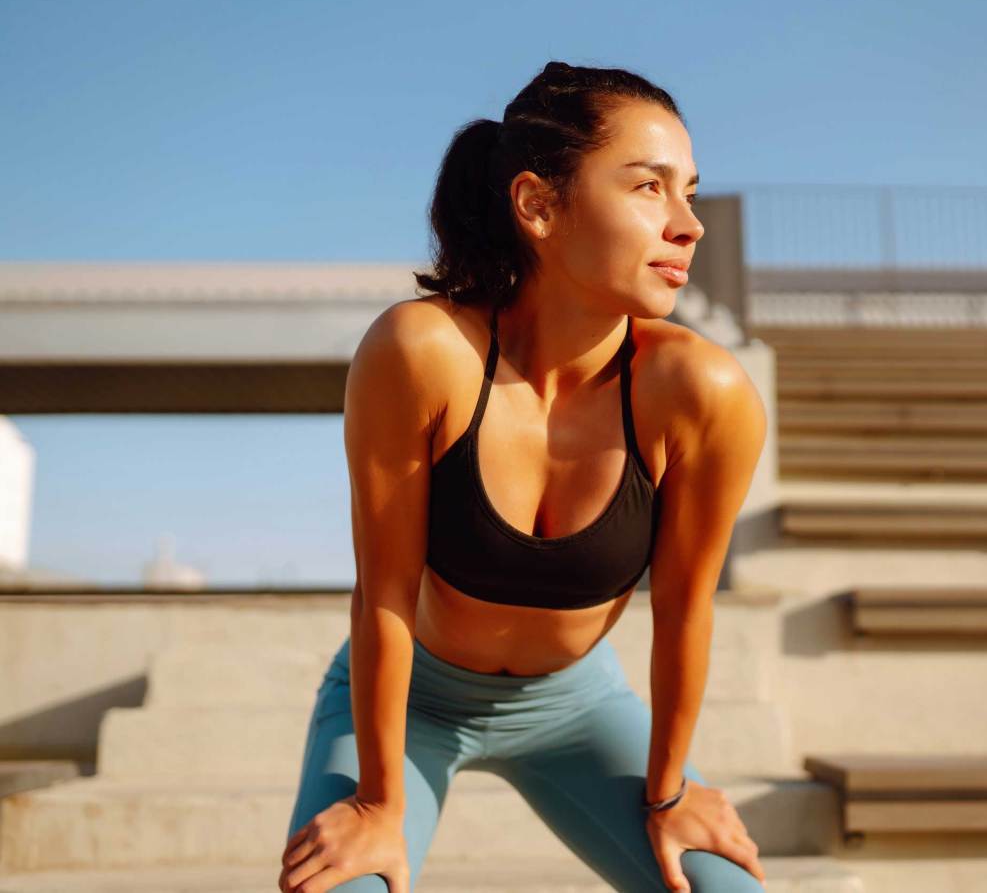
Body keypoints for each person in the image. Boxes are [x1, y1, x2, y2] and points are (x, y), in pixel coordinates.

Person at [278, 60, 769, 893]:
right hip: (413, 703)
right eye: (649, 188)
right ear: (539, 204)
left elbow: (687, 608)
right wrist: (378, 803)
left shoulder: (702, 392)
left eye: (689, 192)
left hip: (577, 709)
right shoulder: (424, 353)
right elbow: (383, 593)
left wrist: (670, 792)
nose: (688, 224)